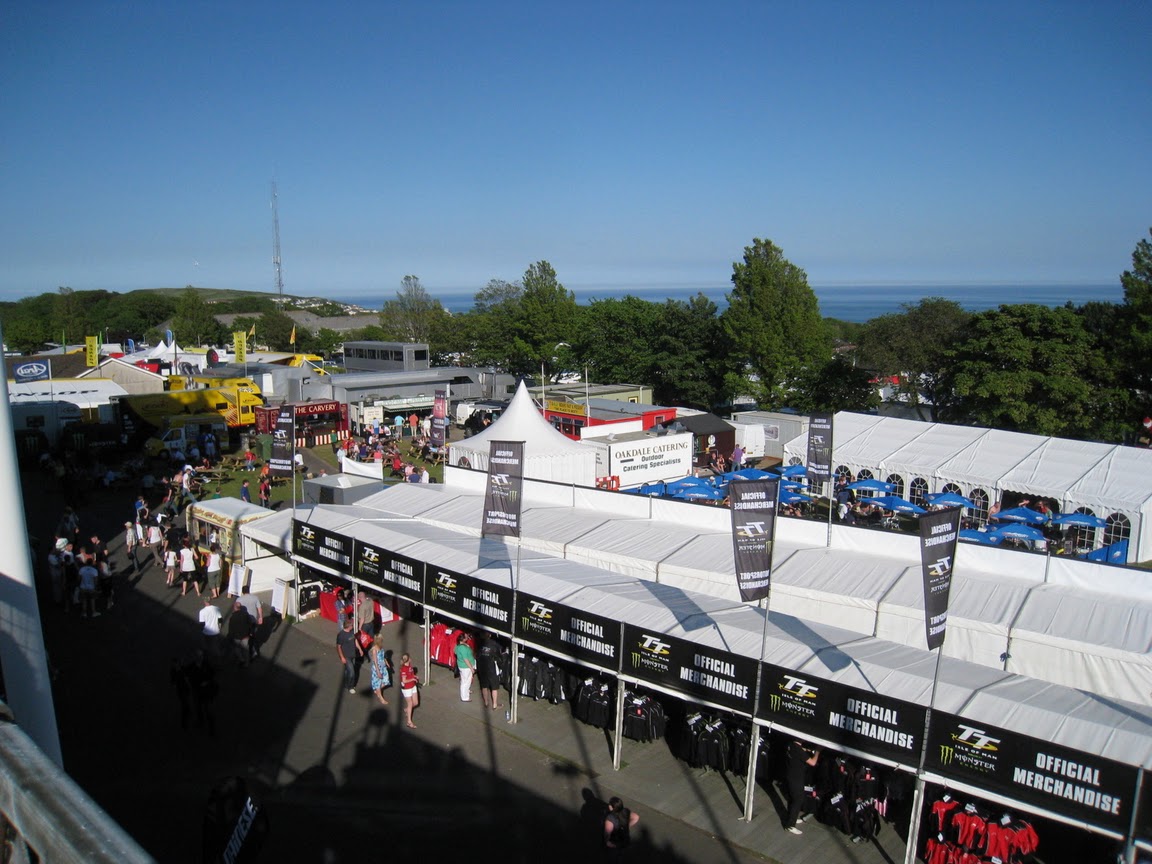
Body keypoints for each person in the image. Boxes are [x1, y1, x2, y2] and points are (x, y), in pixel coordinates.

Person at [784, 740, 820, 834]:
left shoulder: (791, 745)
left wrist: (806, 749)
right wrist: (817, 752)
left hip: (791, 776)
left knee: (794, 799)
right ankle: (790, 825)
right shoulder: (798, 750)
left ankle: (792, 818)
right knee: (798, 800)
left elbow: (800, 750)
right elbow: (813, 762)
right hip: (796, 779)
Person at [476, 632, 502, 711]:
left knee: (484, 686)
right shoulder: (494, 644)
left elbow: (477, 655)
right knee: (494, 687)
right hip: (491, 668)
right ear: (490, 635)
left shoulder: (479, 644)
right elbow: (499, 656)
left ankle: (486, 702)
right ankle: (494, 705)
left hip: (482, 667)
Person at [336, 617, 361, 694]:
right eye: (352, 625)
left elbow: (355, 640)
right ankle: (351, 686)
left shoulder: (352, 632)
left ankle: (346, 684)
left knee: (348, 671)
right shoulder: (341, 635)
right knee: (352, 672)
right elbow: (338, 647)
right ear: (348, 626)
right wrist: (342, 657)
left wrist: (360, 649)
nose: (353, 626)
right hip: (346, 656)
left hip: (352, 654)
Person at [227, 600, 254, 667]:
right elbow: (250, 624)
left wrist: (230, 636)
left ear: (234, 607)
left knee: (237, 648)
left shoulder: (233, 617)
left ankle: (242, 659)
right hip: (245, 636)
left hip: (237, 637)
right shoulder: (245, 614)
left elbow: (231, 628)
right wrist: (251, 632)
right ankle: (247, 663)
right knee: (246, 649)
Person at [368, 632, 391, 705]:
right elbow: (375, 661)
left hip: (383, 666)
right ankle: (380, 697)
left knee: (386, 680)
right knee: (378, 682)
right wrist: (377, 671)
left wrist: (386, 662)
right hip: (377, 668)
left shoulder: (381, 647)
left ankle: (377, 690)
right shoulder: (374, 649)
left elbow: (383, 657)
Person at [454, 631, 477, 702]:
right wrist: (471, 668)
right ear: (463, 639)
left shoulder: (458, 646)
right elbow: (466, 659)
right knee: (466, 681)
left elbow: (455, 652)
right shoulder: (463, 648)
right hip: (466, 667)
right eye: (466, 637)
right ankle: (465, 697)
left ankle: (466, 690)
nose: (468, 638)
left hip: (463, 666)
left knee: (465, 680)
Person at [399, 653, 419, 729]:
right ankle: (409, 722)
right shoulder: (404, 669)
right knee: (410, 703)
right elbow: (404, 680)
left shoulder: (409, 666)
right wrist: (412, 679)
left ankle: (407, 709)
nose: (411, 658)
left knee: (416, 702)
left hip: (413, 686)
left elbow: (410, 674)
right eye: (410, 657)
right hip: (407, 688)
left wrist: (414, 676)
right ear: (408, 659)